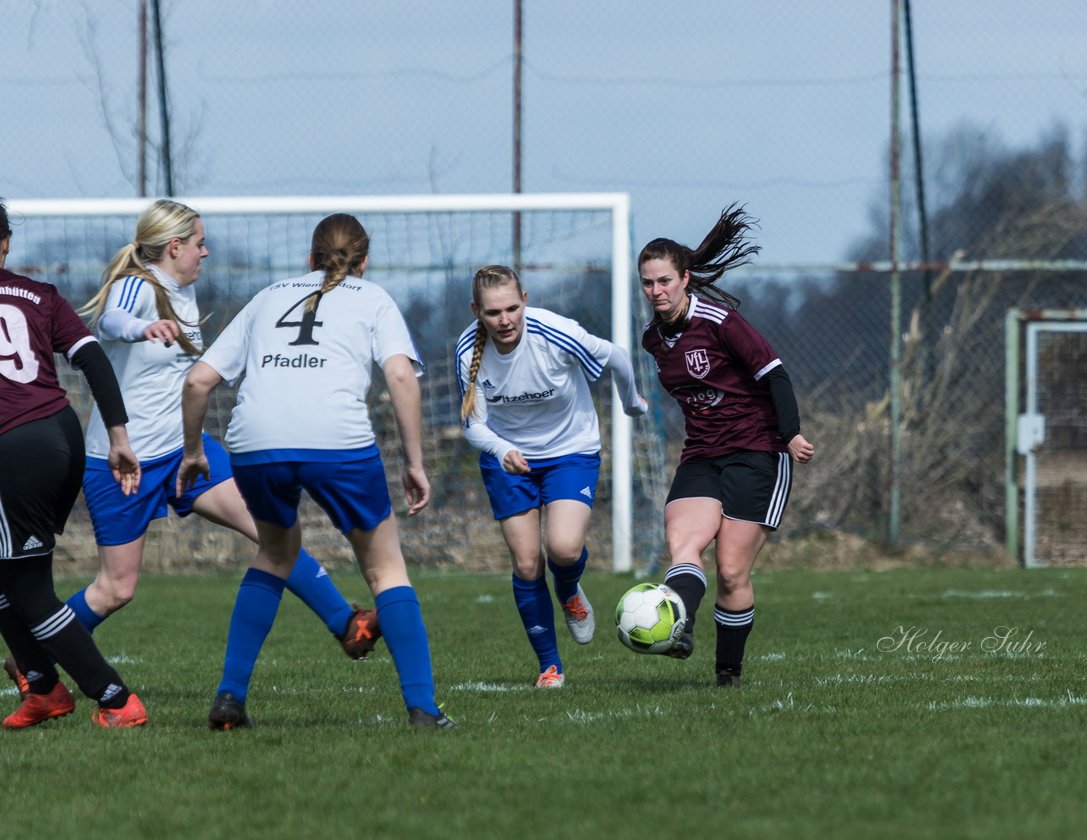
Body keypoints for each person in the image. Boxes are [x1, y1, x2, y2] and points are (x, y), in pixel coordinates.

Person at [2, 199, 380, 701]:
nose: (206, 251)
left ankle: (346, 623)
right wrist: (144, 327)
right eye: (199, 242)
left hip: (187, 453)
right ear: (174, 247)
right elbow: (111, 321)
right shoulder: (140, 284)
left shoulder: (185, 291)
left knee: (274, 532)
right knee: (116, 589)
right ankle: (32, 658)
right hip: (123, 462)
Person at [178, 212, 455, 730]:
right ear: (365, 262)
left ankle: (229, 699)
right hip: (338, 441)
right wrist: (415, 462)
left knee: (274, 555)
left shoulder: (267, 296)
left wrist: (194, 452)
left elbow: (197, 382)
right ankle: (422, 710)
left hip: (254, 442)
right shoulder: (372, 298)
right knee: (385, 569)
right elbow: (399, 374)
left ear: (309, 257)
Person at [637, 204, 815, 688]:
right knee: (683, 545)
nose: (656, 291)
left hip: (758, 451)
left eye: (665, 281)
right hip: (702, 455)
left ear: (685, 279)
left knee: (732, 570)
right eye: (648, 283)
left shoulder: (720, 321)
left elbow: (774, 374)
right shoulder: (654, 339)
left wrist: (791, 433)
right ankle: (680, 626)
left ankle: (728, 674)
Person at [454, 265, 647, 688]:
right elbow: (473, 425)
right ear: (476, 311)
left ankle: (569, 591)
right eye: (492, 313)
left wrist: (631, 403)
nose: (504, 320)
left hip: (569, 452)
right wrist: (502, 450)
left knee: (562, 549)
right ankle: (550, 666)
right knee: (526, 564)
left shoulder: (554, 332)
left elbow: (616, 356)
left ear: (524, 298)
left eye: (511, 308)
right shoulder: (468, 350)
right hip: (507, 459)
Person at [0, 198, 147, 728]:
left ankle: (115, 698)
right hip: (61, 435)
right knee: (11, 575)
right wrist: (119, 437)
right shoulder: (40, 294)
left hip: (13, 444)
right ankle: (43, 689)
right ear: (6, 243)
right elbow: (92, 360)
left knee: (28, 588)